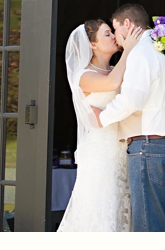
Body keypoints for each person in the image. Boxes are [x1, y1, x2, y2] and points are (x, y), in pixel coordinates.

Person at [92, 3, 165, 232]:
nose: (116, 37)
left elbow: (133, 100)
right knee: (158, 222)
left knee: (148, 227)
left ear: (127, 24)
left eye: (115, 29)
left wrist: (102, 117)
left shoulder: (140, 53)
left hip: (148, 145)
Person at [58, 19, 142, 232]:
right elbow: (113, 83)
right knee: (100, 207)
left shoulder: (117, 68)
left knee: (121, 207)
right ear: (92, 45)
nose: (113, 36)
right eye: (107, 34)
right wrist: (128, 50)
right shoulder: (84, 76)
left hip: (123, 149)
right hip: (100, 152)